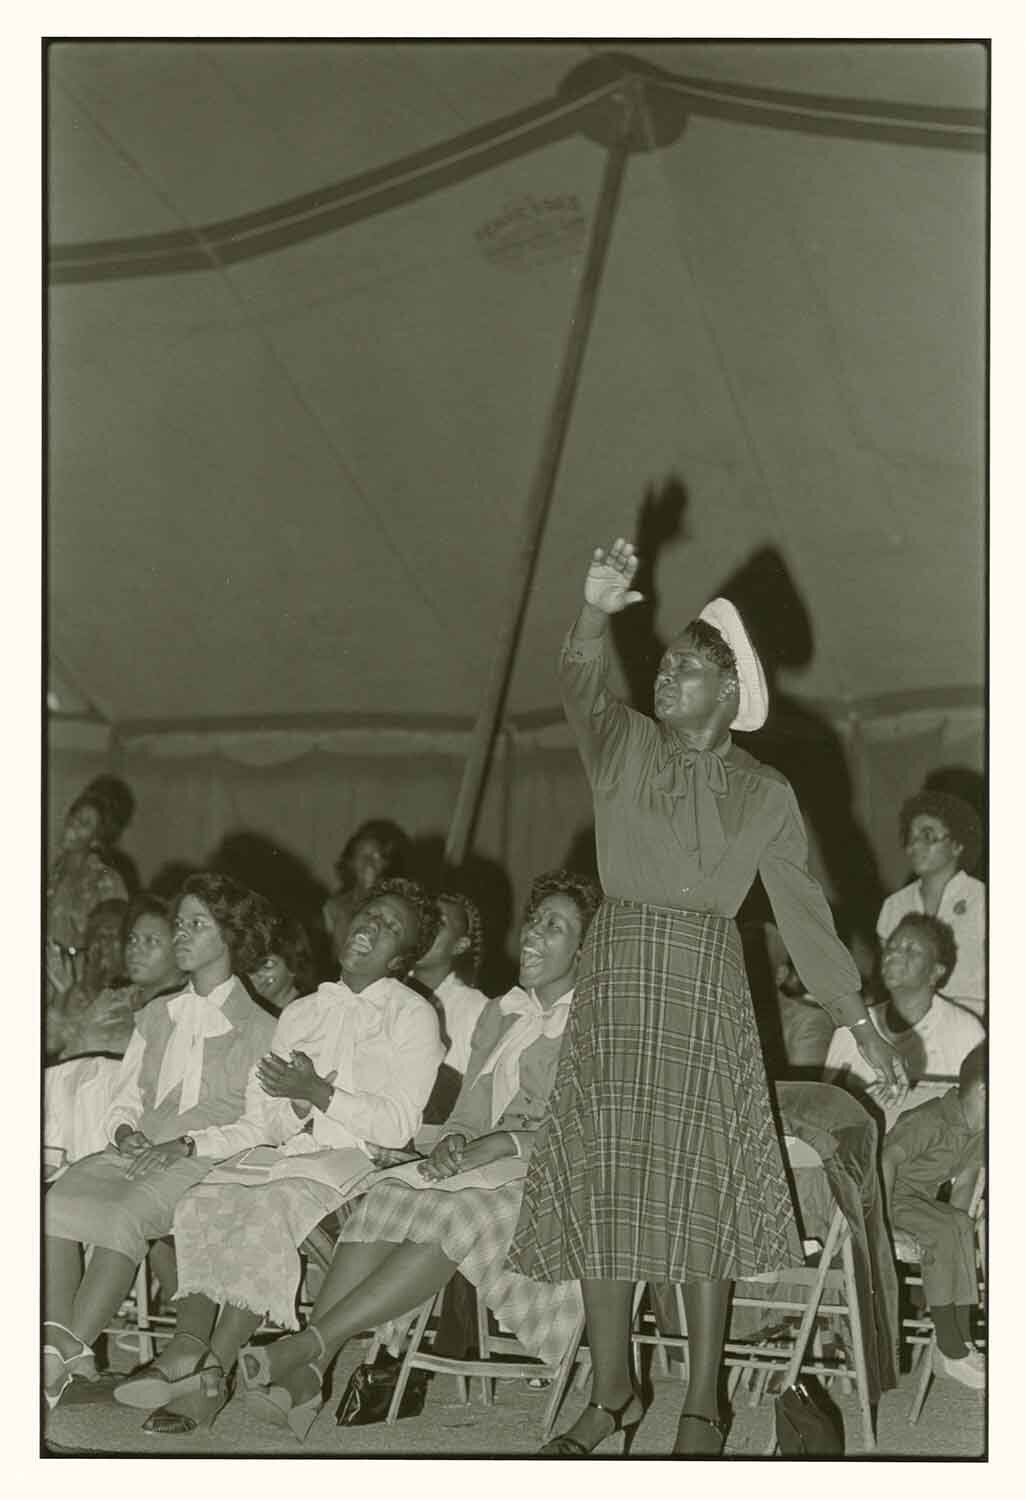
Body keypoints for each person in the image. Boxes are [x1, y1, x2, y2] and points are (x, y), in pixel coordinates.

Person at [505, 537, 904, 1457]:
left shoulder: (766, 791)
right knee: (609, 1182)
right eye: (667, 665)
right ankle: (610, 1395)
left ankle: (702, 1406)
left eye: (688, 669)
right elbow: (580, 684)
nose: (667, 678)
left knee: (697, 1196)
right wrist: (596, 609)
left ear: (730, 693)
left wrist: (859, 1019)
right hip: (620, 971)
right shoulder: (625, 746)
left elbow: (804, 913)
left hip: (705, 983)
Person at [227, 870, 601, 1442]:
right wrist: (457, 1138)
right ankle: (313, 1373)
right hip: (488, 1160)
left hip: (556, 1170)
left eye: (556, 927)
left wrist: (501, 1143)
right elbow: (473, 1107)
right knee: (390, 1192)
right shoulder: (504, 1013)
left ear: (585, 949)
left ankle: (311, 1345)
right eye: (534, 920)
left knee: (451, 1216)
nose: (534, 934)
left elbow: (590, 1126)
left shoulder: (597, 1019)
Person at [116, 877, 444, 1435]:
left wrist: (319, 1094)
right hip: (292, 1154)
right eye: (368, 915)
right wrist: (294, 1107)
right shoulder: (303, 1013)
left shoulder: (411, 1016)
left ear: (402, 959)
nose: (369, 927)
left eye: (389, 927)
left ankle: (208, 1373)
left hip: (359, 1164)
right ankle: (187, 1345)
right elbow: (262, 1115)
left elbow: (397, 1124)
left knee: (267, 1210)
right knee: (201, 1198)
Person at [42, 873, 277, 1410]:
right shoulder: (155, 1014)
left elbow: (263, 1125)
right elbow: (126, 1096)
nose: (181, 935)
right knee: (58, 1200)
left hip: (208, 1156)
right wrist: (124, 1131)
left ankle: (59, 1357)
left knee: (120, 1213)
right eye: (180, 924)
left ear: (231, 938)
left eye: (198, 924)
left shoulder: (262, 1027)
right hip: (142, 1146)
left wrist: (187, 1146)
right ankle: (65, 1355)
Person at [45, 895, 186, 1164]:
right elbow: (64, 1070)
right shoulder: (112, 1002)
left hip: (140, 1139)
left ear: (181, 951)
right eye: (132, 940)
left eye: (151, 942)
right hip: (75, 1137)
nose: (135, 950)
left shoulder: (188, 1011)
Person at [881, 1043, 986, 1389]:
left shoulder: (978, 1131)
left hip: (919, 1203)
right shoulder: (931, 1119)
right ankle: (949, 1343)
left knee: (959, 1224)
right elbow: (885, 1162)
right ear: (985, 1090)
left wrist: (957, 1237)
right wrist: (884, 1222)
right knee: (944, 1229)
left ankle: (960, 1338)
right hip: (885, 1196)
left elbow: (966, 1182)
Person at [825, 914, 984, 1099]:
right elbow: (826, 1105)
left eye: (912, 950)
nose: (895, 954)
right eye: (891, 946)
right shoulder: (855, 1027)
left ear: (935, 972)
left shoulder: (965, 1031)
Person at [877, 791, 985, 1018]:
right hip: (912, 1025)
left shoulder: (983, 900)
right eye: (911, 837)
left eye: (927, 836)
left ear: (957, 846)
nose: (915, 846)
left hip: (975, 1021)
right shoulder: (894, 906)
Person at [47, 776, 132, 958]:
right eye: (74, 816)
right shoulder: (53, 873)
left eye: (84, 824)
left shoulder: (107, 880)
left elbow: (112, 949)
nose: (73, 825)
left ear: (96, 840)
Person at [46, 897, 128, 1058]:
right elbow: (48, 1045)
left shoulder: (136, 998)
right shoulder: (70, 992)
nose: (102, 942)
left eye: (111, 935)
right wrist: (60, 996)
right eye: (97, 934)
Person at [322, 818, 410, 960]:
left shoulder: (396, 907)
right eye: (362, 855)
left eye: (376, 856)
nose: (369, 862)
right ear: (350, 862)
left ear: (387, 862)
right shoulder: (334, 907)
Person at [248, 913, 318, 1013]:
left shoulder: (311, 1013)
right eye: (250, 965)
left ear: (293, 966)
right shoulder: (252, 1013)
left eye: (267, 964)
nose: (254, 974)